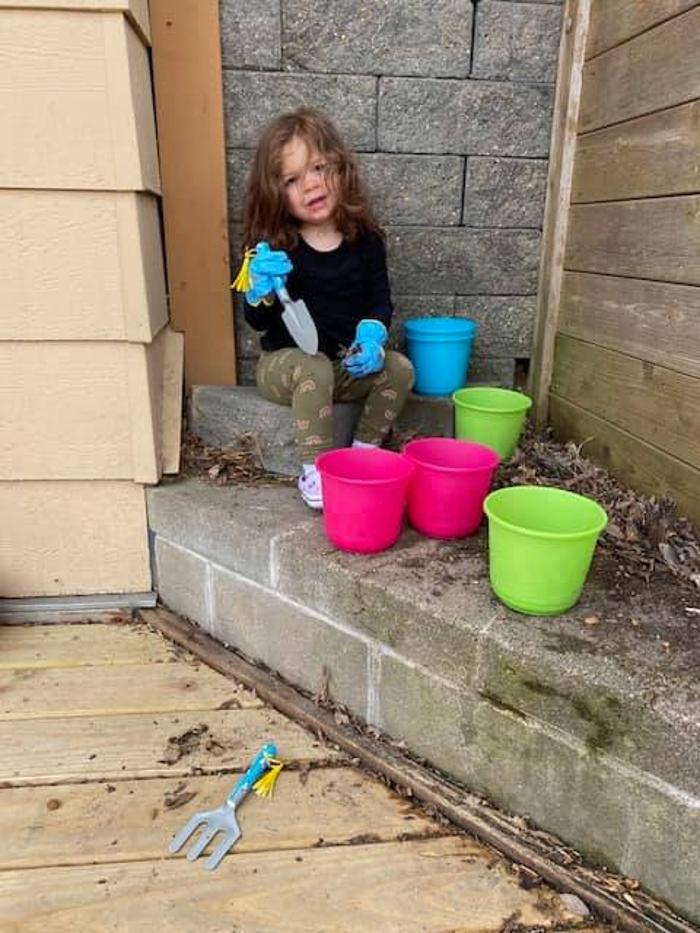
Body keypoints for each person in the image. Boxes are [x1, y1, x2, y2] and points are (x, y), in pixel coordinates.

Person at [235, 106, 415, 510]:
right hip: (286, 366)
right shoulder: (275, 249)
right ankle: (315, 469)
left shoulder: (365, 241)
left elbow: (379, 299)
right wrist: (259, 290)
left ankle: (362, 455)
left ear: (340, 168)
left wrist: (372, 336)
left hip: (344, 364)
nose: (311, 185)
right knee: (313, 366)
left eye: (318, 168)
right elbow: (257, 320)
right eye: (291, 179)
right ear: (275, 193)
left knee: (400, 368)